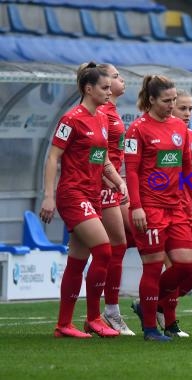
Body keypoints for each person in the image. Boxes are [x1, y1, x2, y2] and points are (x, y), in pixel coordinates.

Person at [40, 62, 125, 338]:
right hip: (73, 194)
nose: (108, 92)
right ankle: (93, 318)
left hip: (92, 195)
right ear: (88, 89)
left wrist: (118, 181)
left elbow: (104, 159)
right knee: (104, 250)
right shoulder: (71, 119)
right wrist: (48, 196)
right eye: (104, 87)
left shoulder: (101, 118)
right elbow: (53, 157)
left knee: (78, 261)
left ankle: (64, 324)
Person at [125, 75, 192, 342]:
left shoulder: (179, 128)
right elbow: (131, 172)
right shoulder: (137, 129)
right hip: (150, 208)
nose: (171, 105)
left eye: (173, 100)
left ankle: (148, 302)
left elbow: (187, 168)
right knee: (153, 267)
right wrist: (136, 207)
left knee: (186, 265)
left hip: (176, 208)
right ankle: (149, 328)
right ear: (151, 100)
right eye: (166, 101)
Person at [153, 89, 192, 336]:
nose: (187, 113)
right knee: (178, 266)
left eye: (190, 109)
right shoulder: (157, 133)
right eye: (182, 108)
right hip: (165, 210)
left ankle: (153, 303)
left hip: (189, 211)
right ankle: (168, 321)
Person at [96, 64, 136, 336]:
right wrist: (115, 182)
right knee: (116, 245)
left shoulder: (111, 110)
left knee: (124, 242)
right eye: (116, 76)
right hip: (103, 185)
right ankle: (108, 311)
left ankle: (108, 310)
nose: (121, 80)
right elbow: (99, 153)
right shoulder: (101, 111)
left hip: (113, 183)